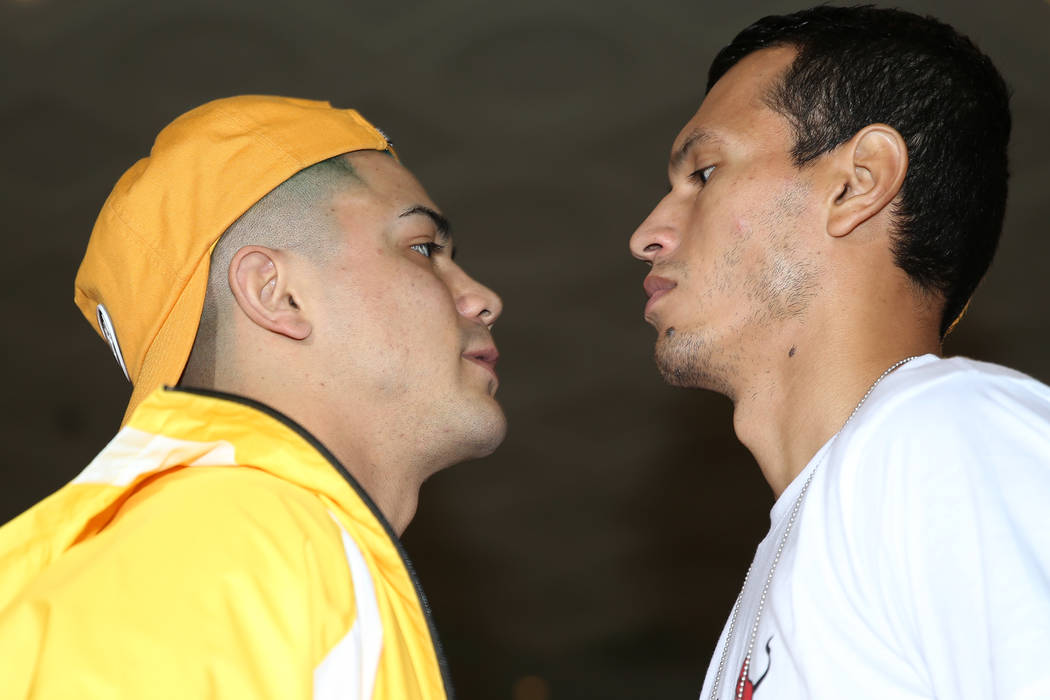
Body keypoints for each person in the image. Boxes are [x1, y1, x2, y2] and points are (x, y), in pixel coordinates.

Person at [0, 95, 505, 698]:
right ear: (277, 293)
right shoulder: (222, 544)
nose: (482, 298)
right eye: (424, 249)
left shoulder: (263, 550)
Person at [629, 6, 1050, 700]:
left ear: (857, 184)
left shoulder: (947, 433)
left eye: (703, 173)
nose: (647, 233)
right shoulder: (800, 546)